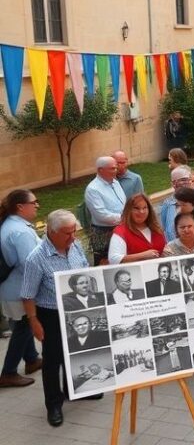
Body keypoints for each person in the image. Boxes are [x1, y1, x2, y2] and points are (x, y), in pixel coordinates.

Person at [21, 210, 92, 427]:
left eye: (74, 232)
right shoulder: (37, 258)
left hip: (77, 309)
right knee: (52, 360)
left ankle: (74, 391)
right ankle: (53, 403)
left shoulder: (76, 246)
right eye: (67, 233)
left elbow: (85, 270)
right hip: (51, 313)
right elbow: (27, 294)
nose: (73, 237)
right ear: (51, 232)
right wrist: (34, 321)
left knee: (75, 352)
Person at [0, 189, 42, 388]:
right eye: (34, 202)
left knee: (21, 325)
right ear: (20, 206)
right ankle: (8, 372)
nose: (37, 205)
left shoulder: (13, 225)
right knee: (24, 327)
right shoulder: (20, 231)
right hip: (20, 290)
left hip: (13, 288)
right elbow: (30, 263)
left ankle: (32, 359)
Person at [84, 155, 126, 265]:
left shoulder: (116, 183)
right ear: (100, 170)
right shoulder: (93, 189)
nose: (115, 170)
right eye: (112, 168)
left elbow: (123, 203)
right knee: (105, 264)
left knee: (121, 259)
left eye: (116, 167)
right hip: (103, 233)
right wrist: (124, 218)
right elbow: (101, 215)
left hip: (121, 227)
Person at [107, 193, 166, 265]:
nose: (141, 212)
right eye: (136, 208)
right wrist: (143, 255)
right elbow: (114, 259)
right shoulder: (121, 231)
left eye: (145, 208)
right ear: (129, 210)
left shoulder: (155, 228)